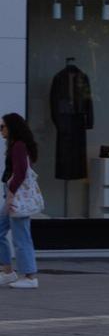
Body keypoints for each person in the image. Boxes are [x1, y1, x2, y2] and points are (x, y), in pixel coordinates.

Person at [1, 113, 39, 289]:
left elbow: (20, 173)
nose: (1, 130)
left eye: (3, 127)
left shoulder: (18, 146)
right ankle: (8, 272)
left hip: (16, 197)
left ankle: (30, 277)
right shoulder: (16, 145)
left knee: (21, 236)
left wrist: (9, 196)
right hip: (12, 195)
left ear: (12, 127)